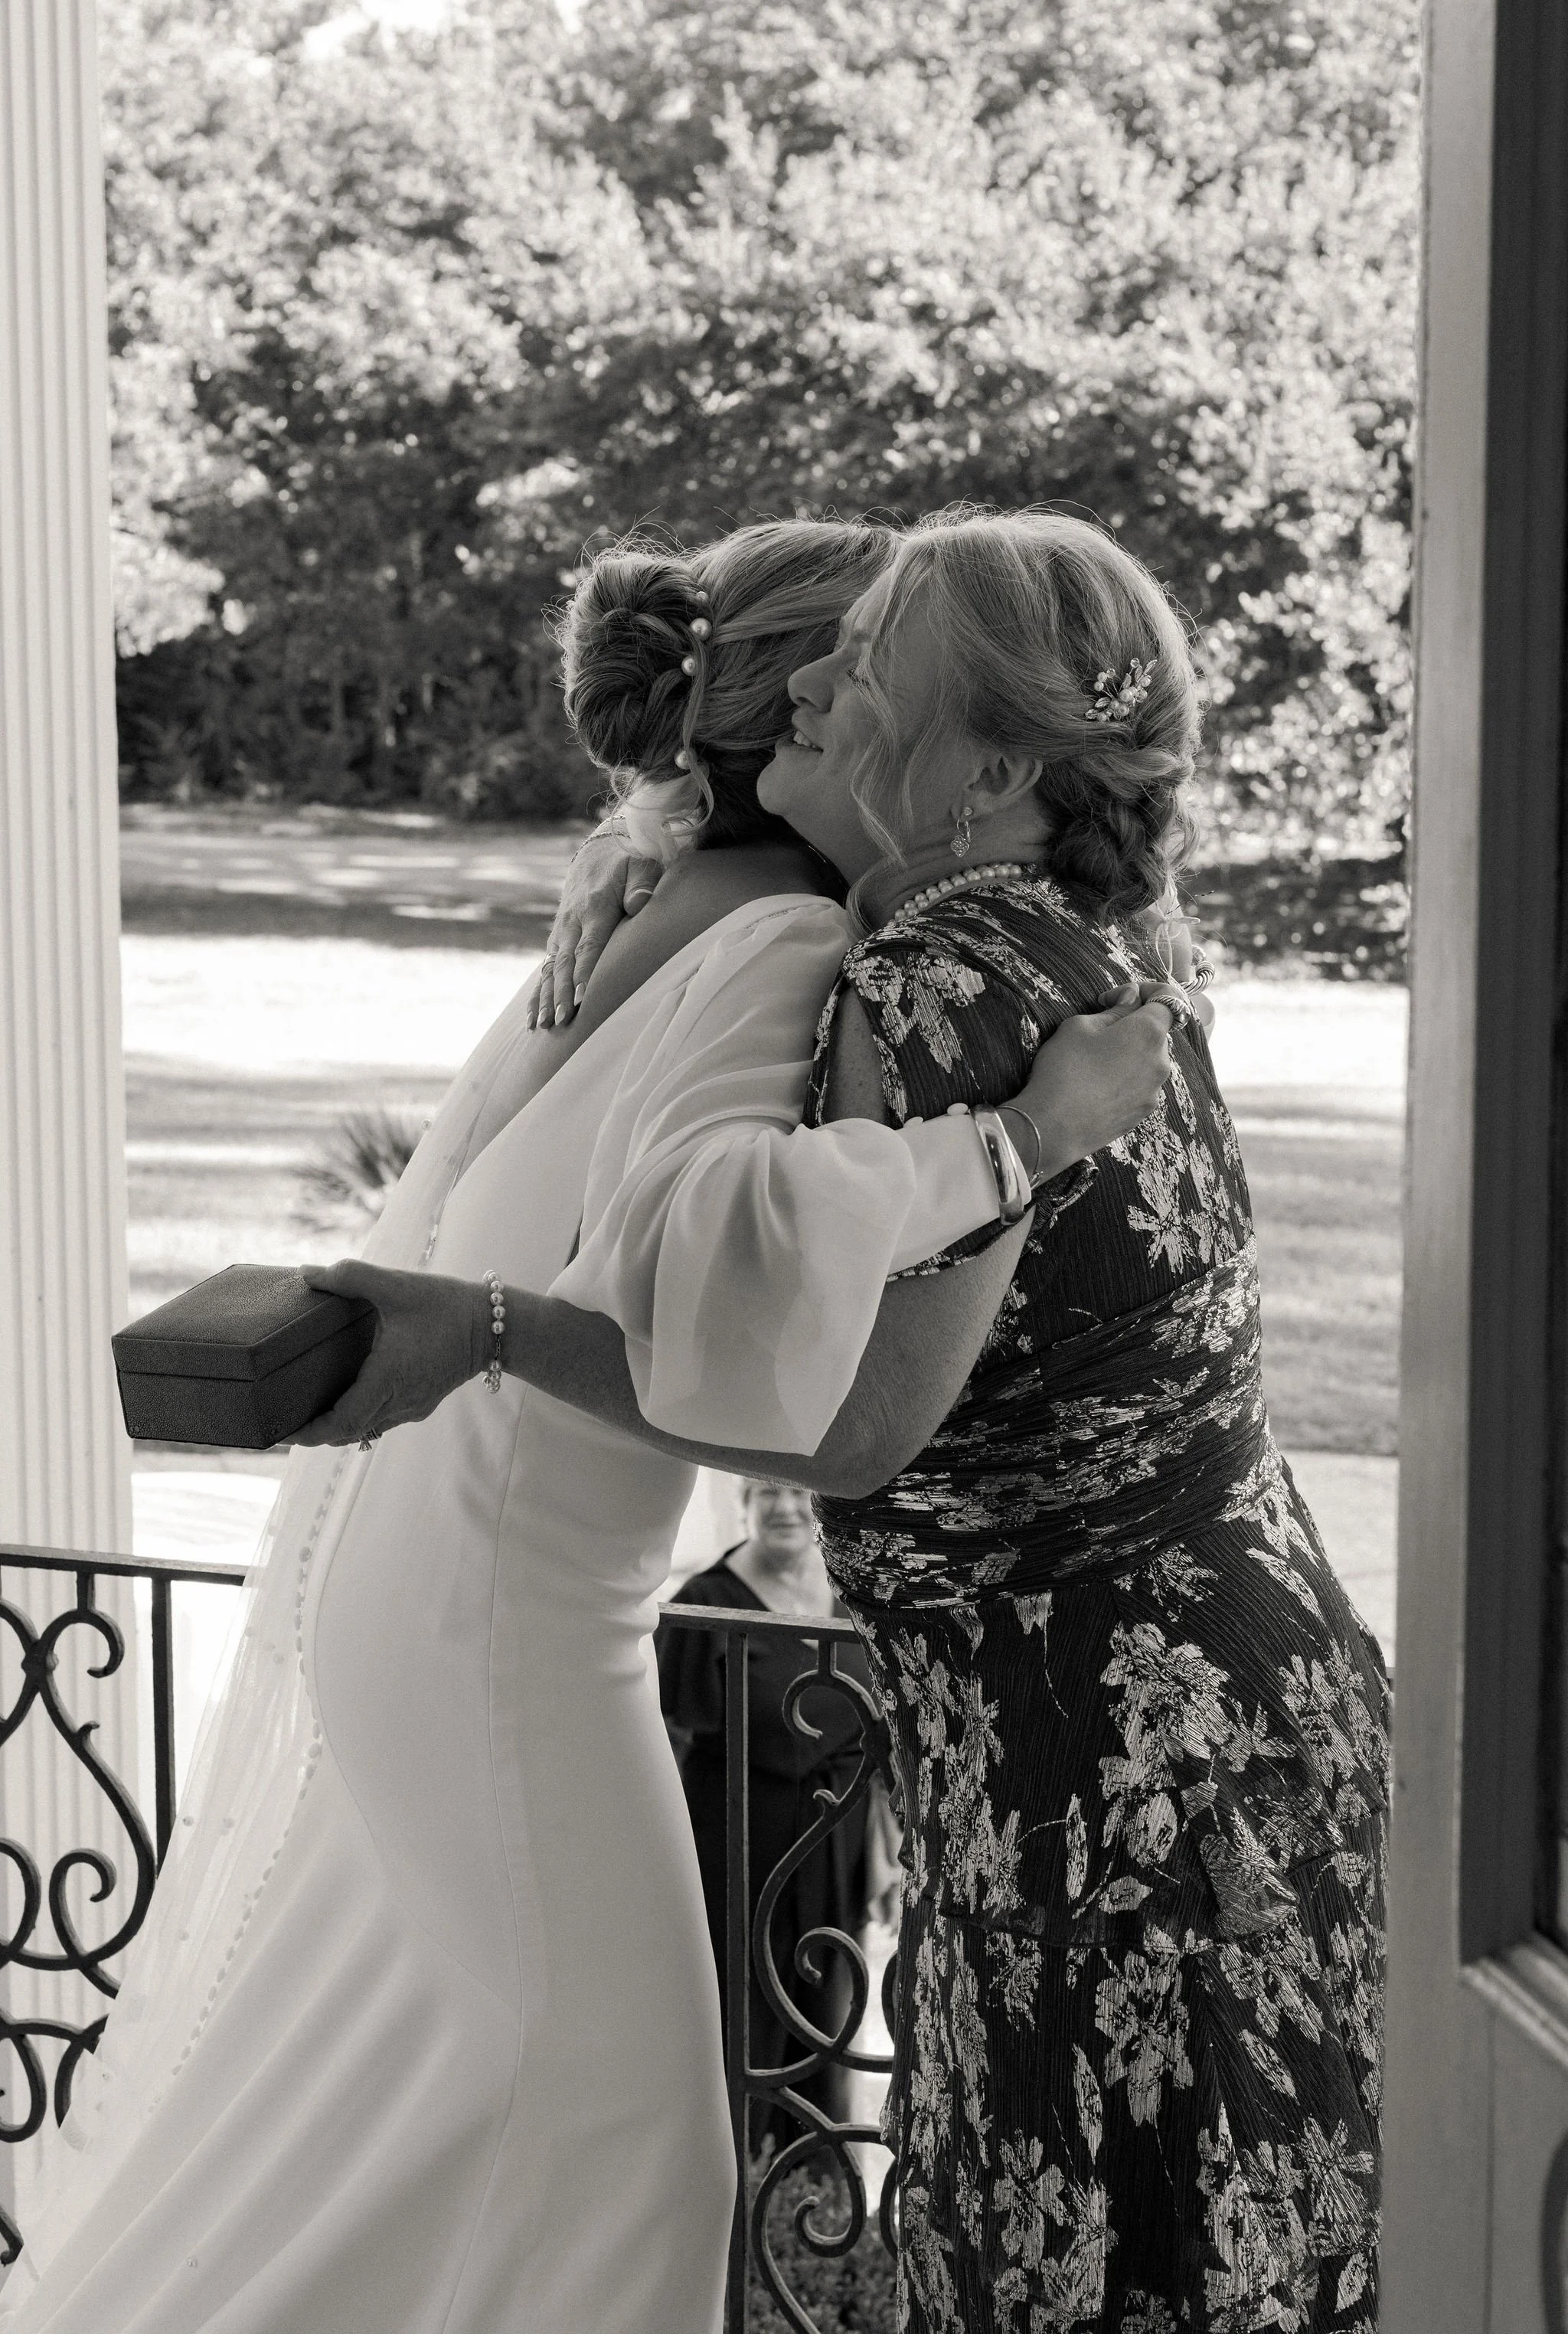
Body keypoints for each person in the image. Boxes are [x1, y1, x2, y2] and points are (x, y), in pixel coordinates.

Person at [2, 517, 1182, 2334]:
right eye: (849, 663)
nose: (846, 691)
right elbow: (720, 1253)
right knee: (630, 2150)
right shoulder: (787, 936)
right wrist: (1017, 1140)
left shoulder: (671, 906)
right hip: (517, 1630)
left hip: (445, 1586)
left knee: (407, 2143)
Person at [292, 508, 1388, 2331]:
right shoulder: (1114, 926)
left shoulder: (929, 988)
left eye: (865, 666)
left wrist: (485, 1329)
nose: (814, 678)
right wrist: (649, 838)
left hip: (1097, 1775)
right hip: (1264, 1694)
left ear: (987, 766)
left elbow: (857, 1427)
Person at [658, 1479, 878, 2150]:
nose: (785, 1506)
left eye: (800, 1491)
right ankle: (732, 2195)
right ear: (744, 1503)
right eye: (767, 1490)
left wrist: (893, 1851)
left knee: (827, 2017)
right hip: (737, 1845)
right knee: (738, 2022)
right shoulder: (705, 1602)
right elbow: (664, 1733)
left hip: (838, 1846)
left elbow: (883, 1732)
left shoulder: (858, 1594)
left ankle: (810, 2191)